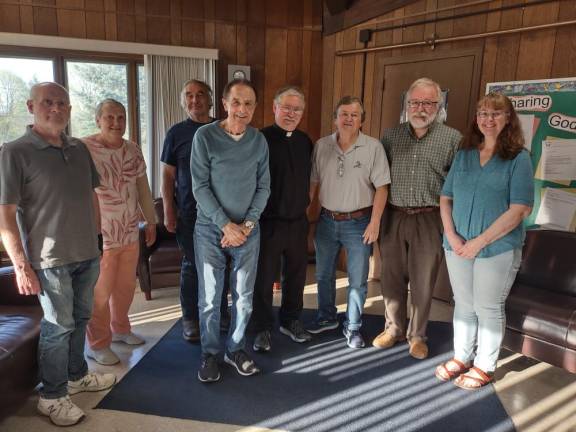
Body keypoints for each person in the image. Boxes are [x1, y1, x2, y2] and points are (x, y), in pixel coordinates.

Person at [0, 82, 115, 427]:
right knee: (57, 325)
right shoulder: (14, 152)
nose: (57, 109)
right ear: (31, 106)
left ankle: (77, 375)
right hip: (49, 261)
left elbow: (91, 195)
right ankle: (51, 396)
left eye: (63, 103)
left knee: (81, 319)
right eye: (48, 102)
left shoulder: (78, 148)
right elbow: (5, 215)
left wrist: (98, 240)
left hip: (86, 254)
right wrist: (21, 266)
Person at [435, 93, 533, 389]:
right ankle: (462, 357)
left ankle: (484, 365)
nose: (487, 119)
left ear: (508, 119)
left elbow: (519, 209)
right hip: (457, 246)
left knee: (488, 307)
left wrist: (479, 242)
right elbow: (445, 197)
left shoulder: (519, 158)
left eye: (495, 113)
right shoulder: (465, 154)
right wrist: (451, 235)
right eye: (482, 113)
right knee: (463, 304)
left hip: (496, 248)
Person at [373, 78, 462, 360]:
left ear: (439, 105)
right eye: (415, 102)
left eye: (427, 103)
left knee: (424, 281)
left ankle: (417, 336)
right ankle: (393, 328)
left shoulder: (452, 139)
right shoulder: (390, 137)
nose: (420, 108)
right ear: (407, 104)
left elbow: (457, 185)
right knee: (390, 278)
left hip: (429, 218)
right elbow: (379, 181)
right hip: (394, 215)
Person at [192, 79, 270, 382]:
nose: (242, 109)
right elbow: (199, 186)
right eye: (236, 102)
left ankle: (235, 348)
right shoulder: (205, 137)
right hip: (210, 228)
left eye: (249, 104)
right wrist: (226, 225)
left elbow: (264, 187)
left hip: (248, 231)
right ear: (224, 103)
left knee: (244, 296)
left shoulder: (258, 141)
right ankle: (209, 354)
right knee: (211, 297)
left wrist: (246, 226)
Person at [307, 96, 390, 349]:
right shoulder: (321, 146)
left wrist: (374, 222)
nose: (349, 119)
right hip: (326, 220)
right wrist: (304, 215)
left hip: (359, 222)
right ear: (335, 118)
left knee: (357, 279)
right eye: (344, 114)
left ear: (361, 120)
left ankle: (353, 327)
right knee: (323, 274)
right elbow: (312, 184)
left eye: (354, 115)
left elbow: (382, 188)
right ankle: (326, 318)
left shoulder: (373, 147)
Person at [83, 99, 157, 365]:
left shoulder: (133, 149)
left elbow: (143, 188)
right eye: (110, 117)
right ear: (98, 120)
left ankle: (121, 330)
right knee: (100, 291)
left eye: (121, 117)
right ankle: (97, 343)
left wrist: (150, 221)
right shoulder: (84, 148)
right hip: (100, 234)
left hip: (129, 231)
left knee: (125, 286)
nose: (116, 123)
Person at [161, 79, 229, 342]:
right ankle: (190, 318)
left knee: (221, 264)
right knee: (192, 265)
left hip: (223, 213)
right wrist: (168, 209)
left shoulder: (223, 129)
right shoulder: (175, 133)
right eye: (189, 95)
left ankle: (222, 312)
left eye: (201, 94)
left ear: (211, 100)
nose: (195, 99)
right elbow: (167, 176)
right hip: (189, 212)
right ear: (183, 101)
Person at [251, 86, 313, 353]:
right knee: (264, 279)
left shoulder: (305, 140)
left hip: (298, 221)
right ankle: (262, 328)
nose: (291, 113)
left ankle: (291, 320)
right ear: (275, 108)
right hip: (268, 222)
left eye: (297, 109)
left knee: (297, 275)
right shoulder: (260, 139)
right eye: (286, 108)